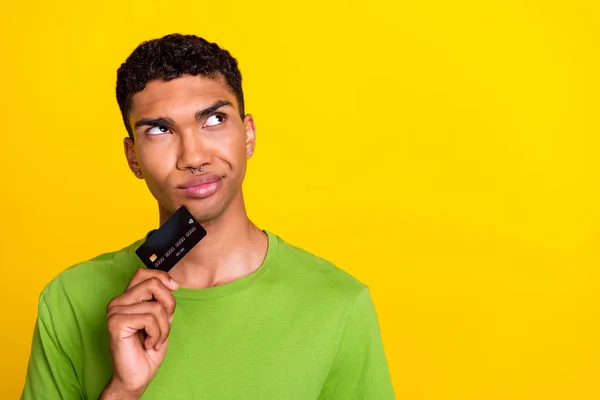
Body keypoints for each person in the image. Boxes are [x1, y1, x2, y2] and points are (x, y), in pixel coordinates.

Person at [21, 34, 395, 399]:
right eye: (160, 129)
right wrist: (123, 391)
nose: (194, 157)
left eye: (214, 119)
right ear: (133, 156)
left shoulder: (339, 304)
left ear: (248, 135)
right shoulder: (69, 301)